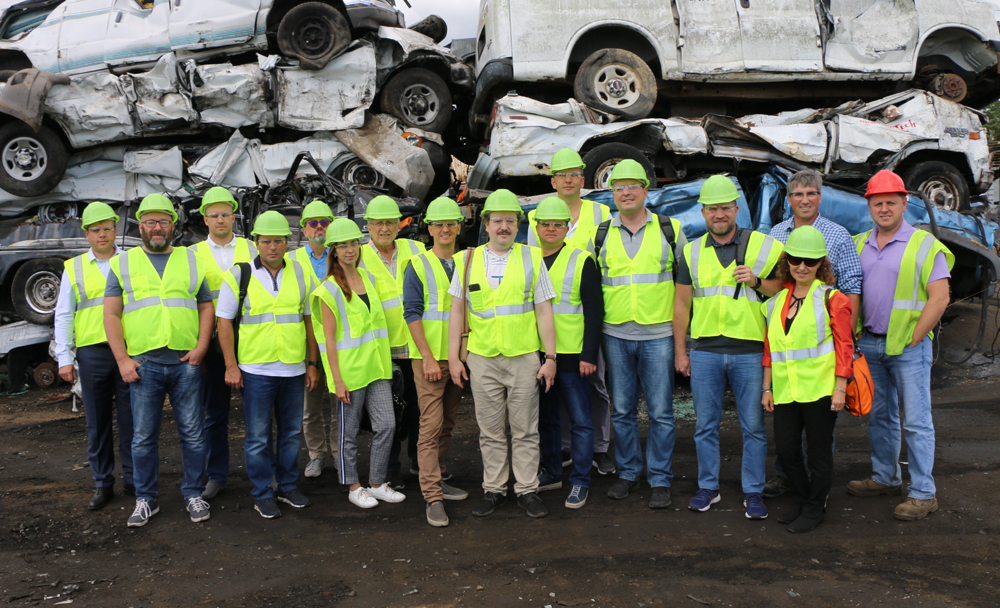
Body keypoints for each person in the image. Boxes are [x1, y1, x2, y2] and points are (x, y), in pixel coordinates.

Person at [674, 175, 783, 520]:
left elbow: (782, 290)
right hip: (704, 350)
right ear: (703, 212)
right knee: (705, 425)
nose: (719, 214)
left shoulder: (763, 246)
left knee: (753, 426)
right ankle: (709, 487)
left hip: (749, 351)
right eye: (712, 209)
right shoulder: (690, 252)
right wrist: (681, 350)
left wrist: (757, 281)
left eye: (725, 207)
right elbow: (681, 305)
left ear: (736, 209)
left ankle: (753, 491)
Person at [104, 193, 215, 527]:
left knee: (194, 434)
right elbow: (111, 313)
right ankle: (146, 500)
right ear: (140, 226)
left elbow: (205, 305)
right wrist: (122, 359)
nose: (156, 227)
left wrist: (201, 348)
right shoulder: (122, 263)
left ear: (173, 226)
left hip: (185, 363)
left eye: (163, 221)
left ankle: (193, 493)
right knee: (143, 437)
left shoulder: (191, 259)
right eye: (150, 221)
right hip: (144, 364)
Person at [847, 170, 952, 521]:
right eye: (878, 202)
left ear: (905, 203)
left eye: (891, 202)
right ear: (869, 206)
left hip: (908, 348)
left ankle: (924, 493)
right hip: (871, 343)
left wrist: (916, 337)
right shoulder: (859, 243)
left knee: (917, 422)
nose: (885, 208)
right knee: (880, 417)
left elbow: (940, 298)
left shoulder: (925, 245)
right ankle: (885, 477)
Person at [446, 189, 557, 519]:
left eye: (510, 221)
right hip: (482, 357)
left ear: (518, 225)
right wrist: (454, 358)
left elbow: (544, 311)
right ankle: (494, 489)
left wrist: (550, 358)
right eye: (498, 221)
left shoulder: (531, 258)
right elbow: (456, 312)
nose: (504, 227)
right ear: (486, 224)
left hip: (523, 356)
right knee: (491, 430)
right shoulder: (466, 261)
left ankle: (526, 490)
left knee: (525, 429)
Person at [589, 160, 685, 509]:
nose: (626, 192)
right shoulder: (600, 233)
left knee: (661, 412)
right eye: (618, 187)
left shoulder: (670, 229)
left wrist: (680, 341)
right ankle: (629, 472)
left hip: (658, 333)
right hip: (614, 334)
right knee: (623, 410)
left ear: (646, 190)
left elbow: (683, 289)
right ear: (612, 193)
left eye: (632, 186)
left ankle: (659, 478)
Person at [764, 169, 862, 498]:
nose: (804, 200)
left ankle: (816, 492)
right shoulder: (777, 233)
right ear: (789, 199)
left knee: (819, 435)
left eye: (811, 193)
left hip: (822, 352)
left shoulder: (838, 235)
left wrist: (845, 344)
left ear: (820, 197)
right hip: (790, 337)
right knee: (788, 435)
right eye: (797, 194)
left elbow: (851, 288)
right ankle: (788, 478)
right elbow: (777, 285)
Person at [216, 211, 320, 519]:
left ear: (287, 242)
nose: (272, 247)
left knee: (290, 433)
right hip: (256, 369)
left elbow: (309, 320)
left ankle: (287, 486)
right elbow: (224, 323)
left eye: (277, 241)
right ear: (256, 243)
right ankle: (262, 492)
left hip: (292, 368)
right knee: (258, 436)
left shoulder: (301, 273)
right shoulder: (240, 273)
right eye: (265, 241)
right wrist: (230, 365)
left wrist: (312, 363)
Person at [528, 148, 616, 476]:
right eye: (562, 174)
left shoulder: (600, 213)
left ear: (583, 178)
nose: (568, 179)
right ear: (553, 180)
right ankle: (565, 447)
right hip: (547, 334)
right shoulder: (539, 217)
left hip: (586, 321)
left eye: (574, 173)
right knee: (555, 396)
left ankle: (600, 448)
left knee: (595, 386)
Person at [761, 226, 854, 533]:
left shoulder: (833, 299)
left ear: (821, 264)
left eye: (810, 261)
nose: (802, 266)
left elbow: (845, 345)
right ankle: (803, 500)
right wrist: (767, 387)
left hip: (820, 390)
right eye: (796, 259)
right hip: (787, 391)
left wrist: (840, 386)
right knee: (786, 451)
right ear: (787, 260)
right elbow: (770, 348)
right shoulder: (777, 301)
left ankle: (815, 507)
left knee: (818, 453)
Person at [311, 218, 406, 509]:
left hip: (377, 369)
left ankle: (376, 483)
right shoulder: (328, 290)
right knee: (348, 434)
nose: (350, 249)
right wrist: (336, 380)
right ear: (333, 251)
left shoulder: (370, 281)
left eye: (353, 243)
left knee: (387, 425)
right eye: (342, 245)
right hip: (350, 374)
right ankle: (353, 486)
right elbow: (327, 340)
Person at [55, 202, 134, 511]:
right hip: (92, 354)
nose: (102, 235)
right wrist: (64, 357)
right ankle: (103, 483)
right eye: (96, 230)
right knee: (97, 423)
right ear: (86, 234)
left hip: (127, 352)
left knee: (132, 421)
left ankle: (133, 479)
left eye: (108, 228)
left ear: (116, 230)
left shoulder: (131, 262)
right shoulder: (73, 268)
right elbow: (63, 315)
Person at [402, 197, 470, 526]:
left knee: (447, 424)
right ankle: (432, 497)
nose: (445, 229)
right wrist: (428, 357)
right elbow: (412, 313)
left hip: (458, 359)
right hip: (429, 360)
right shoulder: (417, 264)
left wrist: (463, 356)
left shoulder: (468, 262)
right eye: (438, 224)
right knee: (429, 427)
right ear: (428, 229)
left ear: (459, 226)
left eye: (451, 223)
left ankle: (439, 478)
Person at [532, 196, 603, 509]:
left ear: (567, 227)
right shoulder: (527, 259)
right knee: (546, 421)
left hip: (573, 356)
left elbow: (593, 311)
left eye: (558, 224)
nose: (551, 229)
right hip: (538, 355)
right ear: (535, 227)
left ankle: (580, 480)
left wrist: (589, 354)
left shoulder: (582, 259)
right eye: (545, 223)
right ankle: (550, 472)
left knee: (581, 421)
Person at [191, 186, 258, 501]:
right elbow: (191, 305)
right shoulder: (192, 255)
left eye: (225, 214)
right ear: (205, 219)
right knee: (214, 413)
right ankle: (215, 476)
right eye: (214, 214)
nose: (220, 220)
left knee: (257, 414)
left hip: (251, 342)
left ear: (234, 216)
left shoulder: (253, 248)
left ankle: (261, 475)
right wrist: (200, 348)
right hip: (213, 347)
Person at [359, 195, 426, 489]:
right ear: (368, 227)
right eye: (378, 223)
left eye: (389, 222)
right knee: (389, 415)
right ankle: (390, 469)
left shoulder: (417, 249)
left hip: (417, 346)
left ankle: (418, 464)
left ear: (399, 225)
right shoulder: (358, 256)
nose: (384, 228)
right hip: (381, 349)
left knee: (418, 409)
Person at [290, 200, 338, 479]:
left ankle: (339, 453)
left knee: (339, 403)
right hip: (307, 343)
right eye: (313, 223)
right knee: (310, 406)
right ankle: (317, 455)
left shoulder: (343, 254)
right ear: (304, 230)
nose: (319, 228)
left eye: (325, 222)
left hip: (339, 341)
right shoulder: (293, 259)